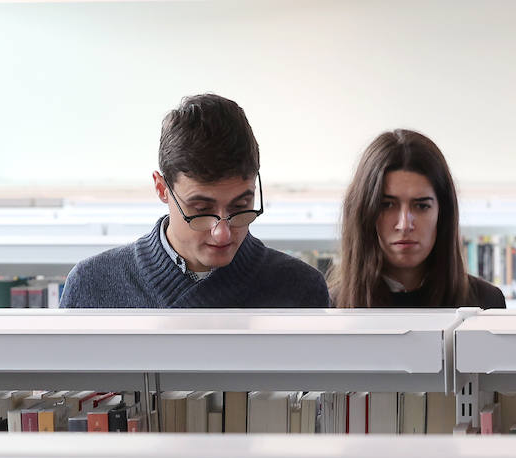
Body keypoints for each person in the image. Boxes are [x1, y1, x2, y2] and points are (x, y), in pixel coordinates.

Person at [59, 94, 329, 309]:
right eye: (201, 210)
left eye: (240, 207)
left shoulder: (300, 289)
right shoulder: (91, 285)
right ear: (162, 188)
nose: (222, 233)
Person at [330, 129, 506, 309]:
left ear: (442, 213)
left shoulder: (486, 302)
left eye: (422, 206)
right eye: (387, 205)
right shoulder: (330, 308)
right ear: (364, 213)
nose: (404, 225)